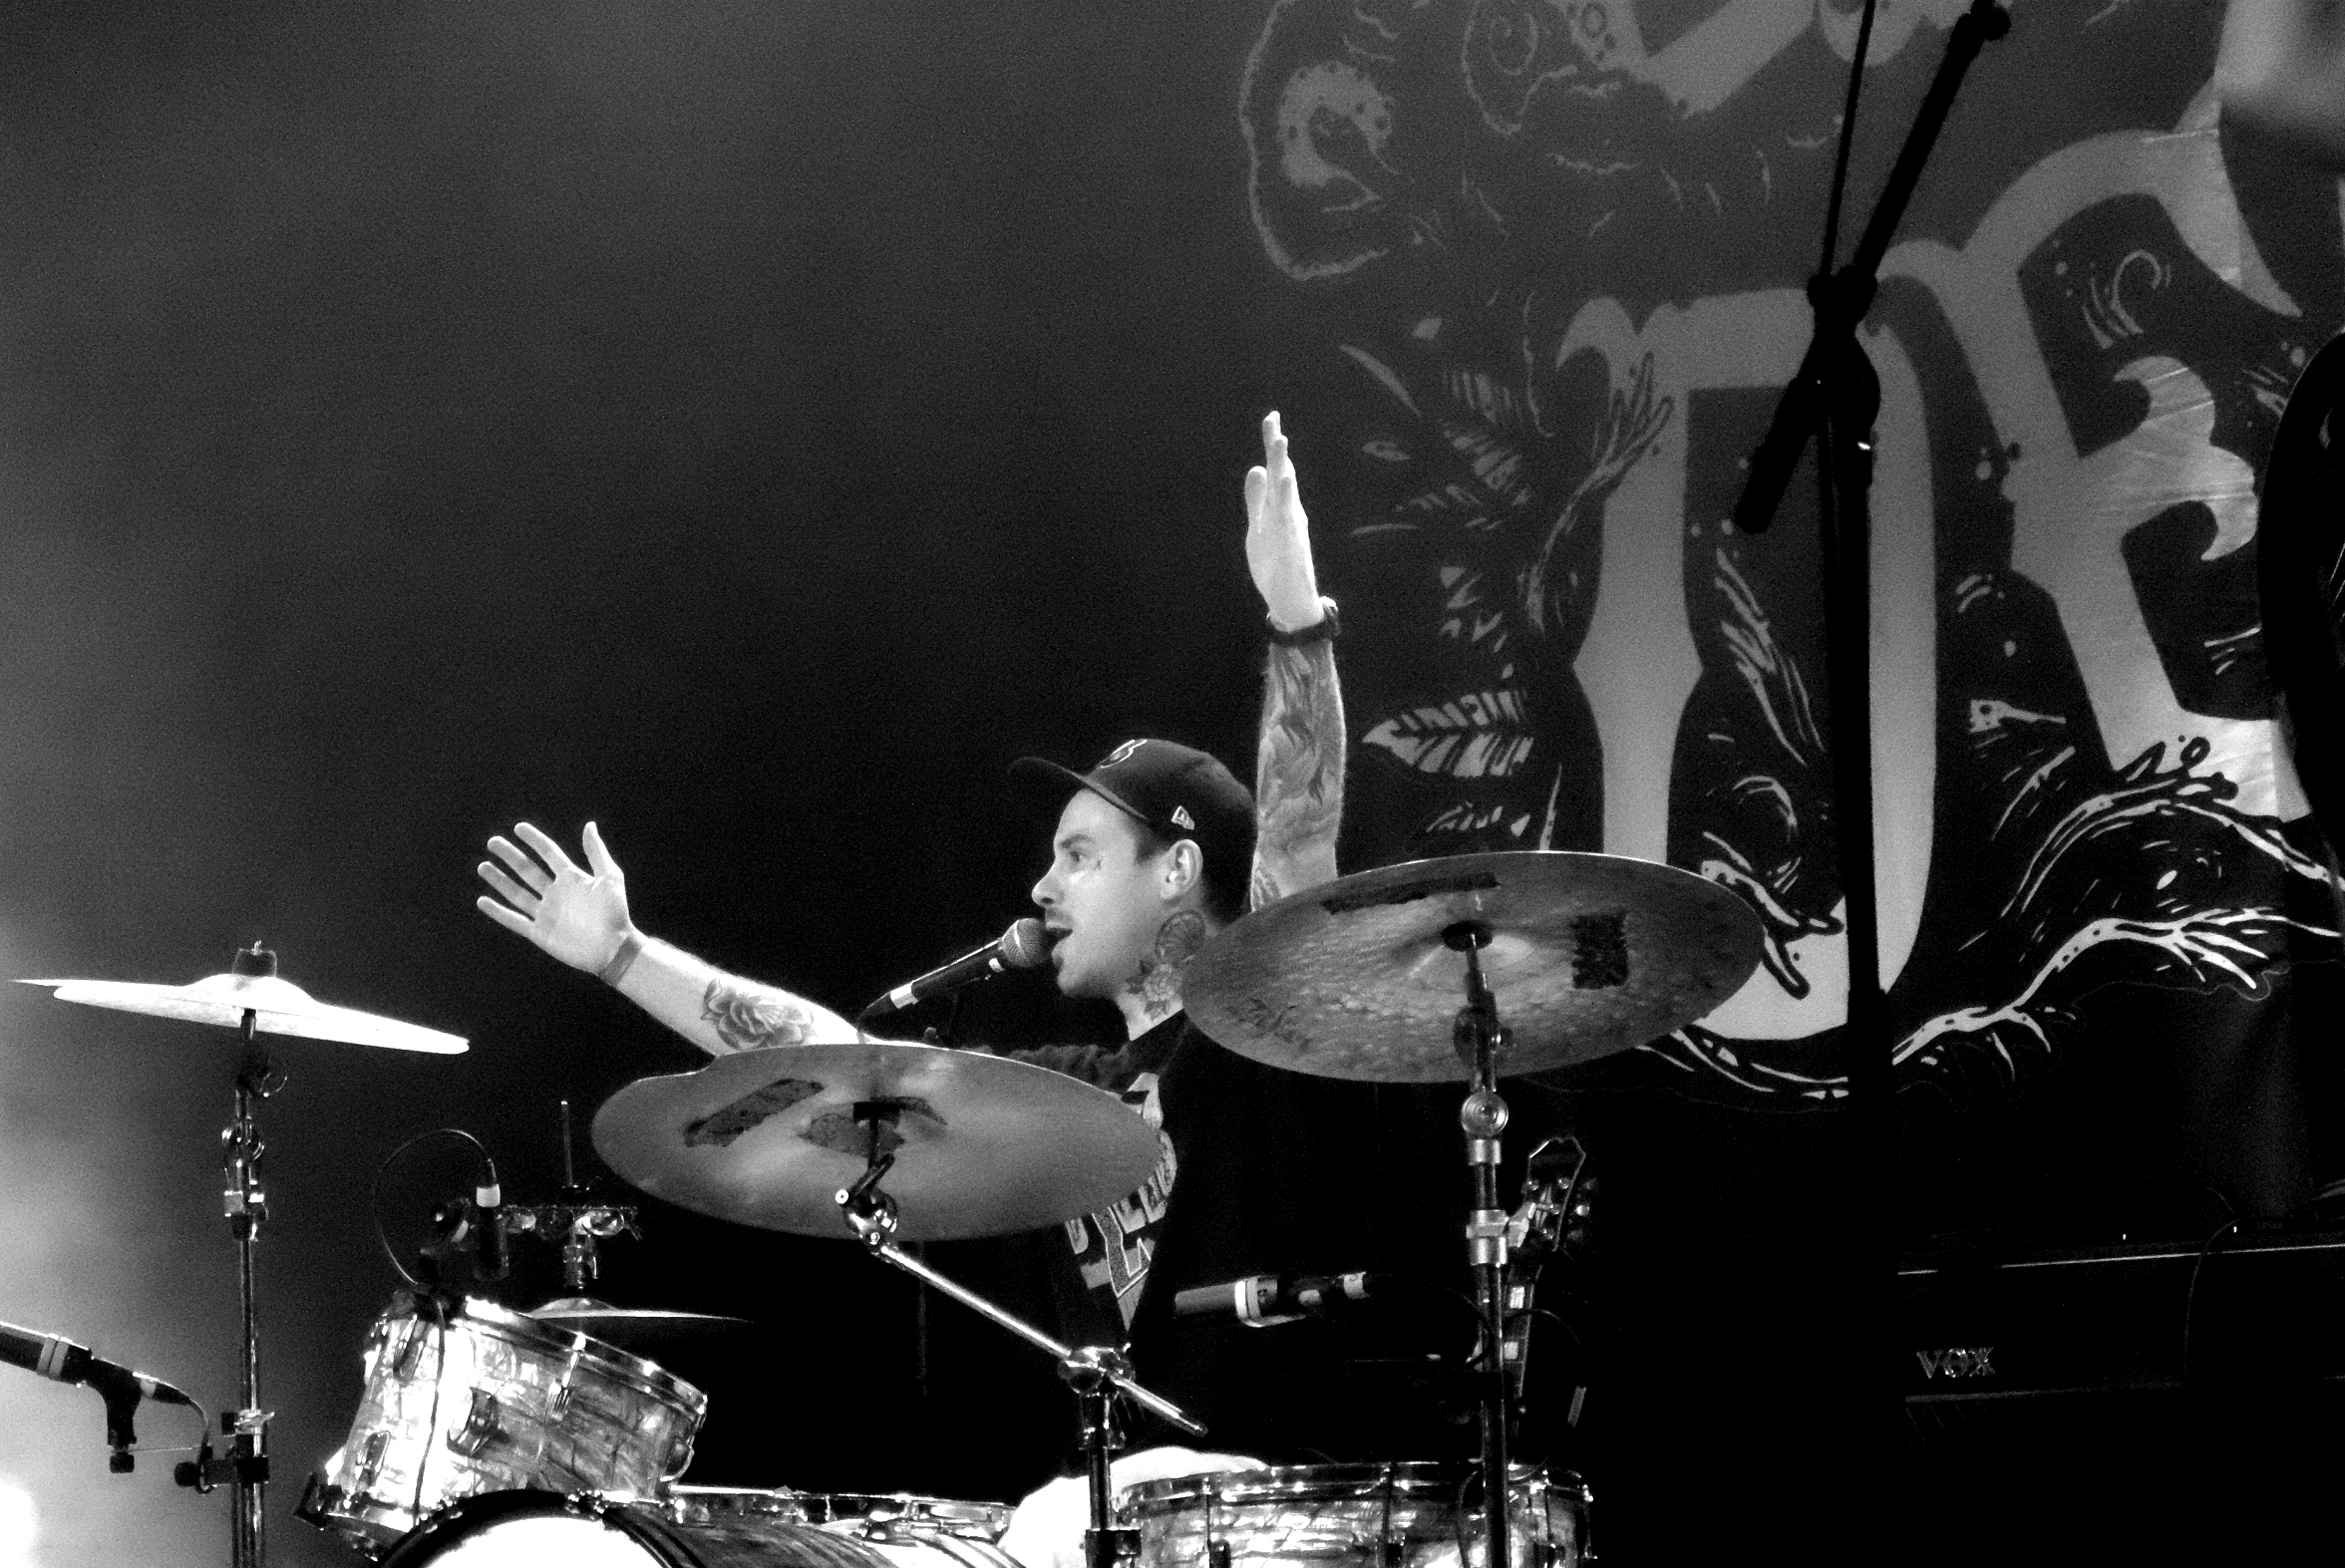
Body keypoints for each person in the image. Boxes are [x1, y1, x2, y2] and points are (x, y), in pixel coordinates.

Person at [474, 413, 1412, 1563]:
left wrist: (1297, 618)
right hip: (1111, 1527)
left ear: (1177, 870)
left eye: (1079, 855)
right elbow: (845, 1063)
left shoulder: (1258, 1026)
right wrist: (627, 955)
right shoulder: (1070, 1089)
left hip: (1282, 1520)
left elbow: (1297, 842)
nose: (1043, 884)